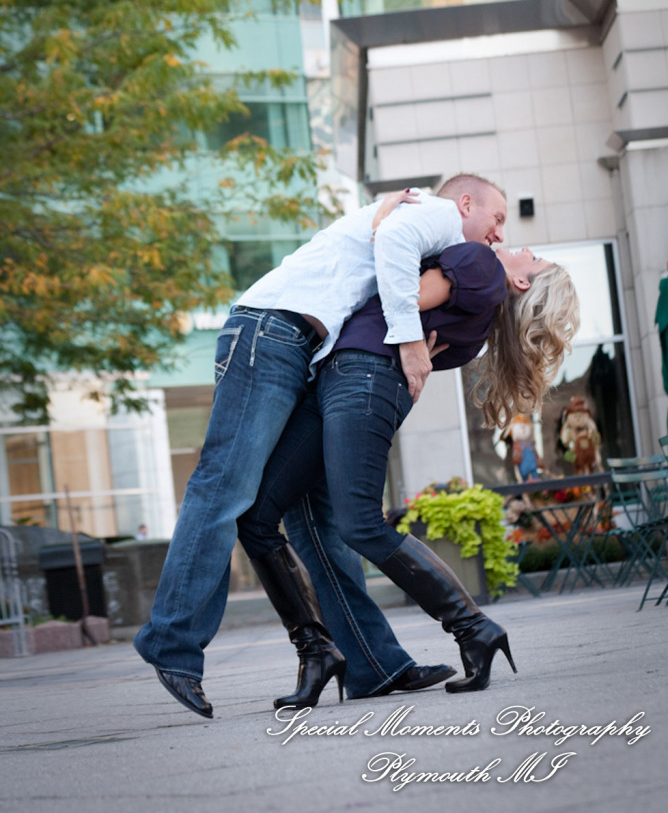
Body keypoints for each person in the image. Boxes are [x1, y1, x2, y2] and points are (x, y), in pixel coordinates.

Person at [134, 174, 508, 717]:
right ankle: (171, 643)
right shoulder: (438, 213)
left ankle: (372, 664)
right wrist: (409, 342)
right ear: (467, 202)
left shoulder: (422, 228)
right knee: (225, 487)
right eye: (497, 218)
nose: (499, 234)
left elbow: (390, 249)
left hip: (300, 348)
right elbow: (395, 242)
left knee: (315, 517)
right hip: (270, 333)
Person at [237, 243, 580, 707]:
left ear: (522, 282)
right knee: (256, 515)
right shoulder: (476, 328)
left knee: (358, 523)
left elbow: (400, 293)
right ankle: (318, 652)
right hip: (345, 381)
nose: (522, 247)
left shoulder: (481, 264)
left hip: (358, 380)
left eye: (534, 259)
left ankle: (472, 627)